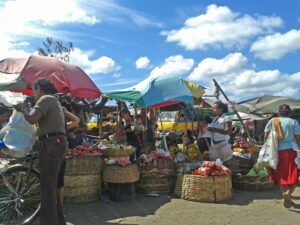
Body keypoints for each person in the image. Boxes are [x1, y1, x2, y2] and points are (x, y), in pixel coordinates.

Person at [17, 79, 67, 225]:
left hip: (51, 144)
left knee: (48, 186)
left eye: (34, 90)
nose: (34, 94)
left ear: (39, 88)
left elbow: (32, 119)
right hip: (56, 143)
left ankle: (49, 222)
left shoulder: (46, 98)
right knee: (51, 185)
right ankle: (58, 221)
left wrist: (23, 109)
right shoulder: (55, 100)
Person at [264, 104, 300, 208]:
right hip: (292, 151)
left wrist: (267, 148)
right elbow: (298, 138)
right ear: (289, 112)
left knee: (281, 175)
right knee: (295, 174)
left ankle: (286, 195)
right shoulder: (294, 122)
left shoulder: (272, 121)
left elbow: (266, 137)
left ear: (279, 112)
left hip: (276, 151)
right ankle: (288, 194)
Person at [58, 107, 80, 205]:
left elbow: (77, 121)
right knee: (59, 181)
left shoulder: (60, 126)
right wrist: (66, 112)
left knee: (57, 181)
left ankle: (58, 204)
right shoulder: (62, 126)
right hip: (59, 154)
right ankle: (59, 205)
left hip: (55, 154)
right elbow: (77, 120)